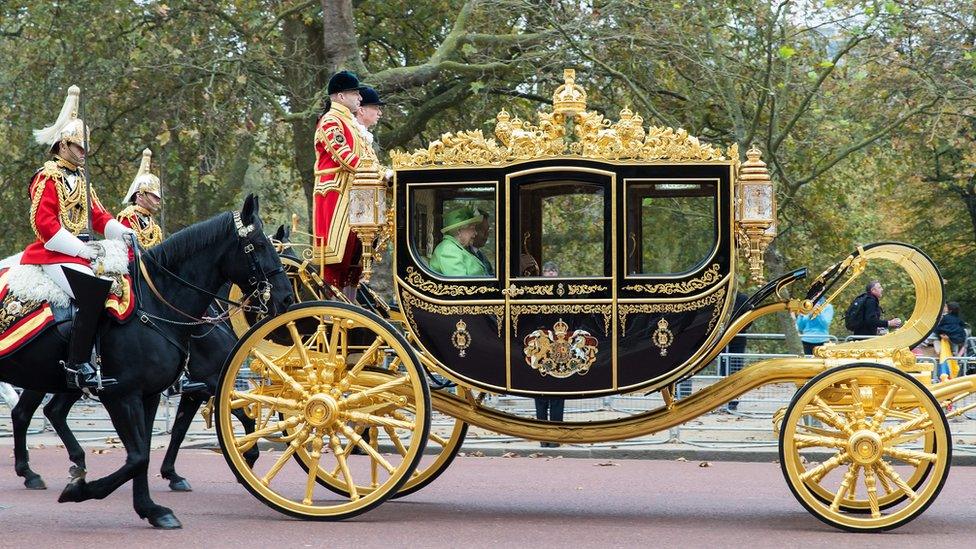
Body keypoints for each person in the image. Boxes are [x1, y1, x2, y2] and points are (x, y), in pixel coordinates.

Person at [20, 85, 135, 389]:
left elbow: (98, 215)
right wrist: (84, 251)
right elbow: (45, 226)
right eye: (79, 147)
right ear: (62, 145)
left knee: (123, 287)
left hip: (82, 251)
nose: (84, 153)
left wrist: (123, 232)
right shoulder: (47, 177)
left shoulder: (82, 179)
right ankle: (76, 365)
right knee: (94, 292)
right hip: (54, 253)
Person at [313, 70, 369, 294]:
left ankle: (349, 304)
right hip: (337, 195)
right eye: (355, 93)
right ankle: (330, 311)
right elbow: (343, 155)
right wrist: (376, 172)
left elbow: (366, 158)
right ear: (340, 96)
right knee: (337, 259)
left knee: (354, 261)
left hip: (358, 194)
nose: (360, 98)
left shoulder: (353, 125)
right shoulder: (330, 121)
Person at [534, 261, 564, 447]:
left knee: (558, 392)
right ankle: (543, 436)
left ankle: (555, 435)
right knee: (540, 392)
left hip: (559, 346)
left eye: (553, 271)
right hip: (541, 345)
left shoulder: (562, 294)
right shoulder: (538, 293)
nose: (550, 273)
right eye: (547, 271)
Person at [117, 148, 163, 249]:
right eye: (154, 196)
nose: (158, 200)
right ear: (140, 196)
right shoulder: (128, 218)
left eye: (158, 197)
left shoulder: (151, 222)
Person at [428, 206, 487, 276]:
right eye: (472, 228)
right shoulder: (448, 250)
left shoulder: (457, 247)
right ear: (459, 231)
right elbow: (460, 284)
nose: (475, 233)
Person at [469, 208, 494, 276]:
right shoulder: (464, 253)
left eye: (487, 230)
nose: (487, 234)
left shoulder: (481, 256)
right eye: (482, 230)